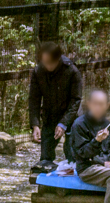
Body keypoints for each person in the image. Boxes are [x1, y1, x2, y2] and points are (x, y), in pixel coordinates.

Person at [27, 42, 83, 170]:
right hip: (50, 114)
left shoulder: (72, 70)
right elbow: (34, 99)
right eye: (44, 62)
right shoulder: (38, 71)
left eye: (50, 62)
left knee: (72, 154)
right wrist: (35, 125)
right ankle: (45, 186)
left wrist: (63, 123)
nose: (47, 66)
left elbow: (76, 100)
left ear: (58, 59)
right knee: (45, 157)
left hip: (72, 115)